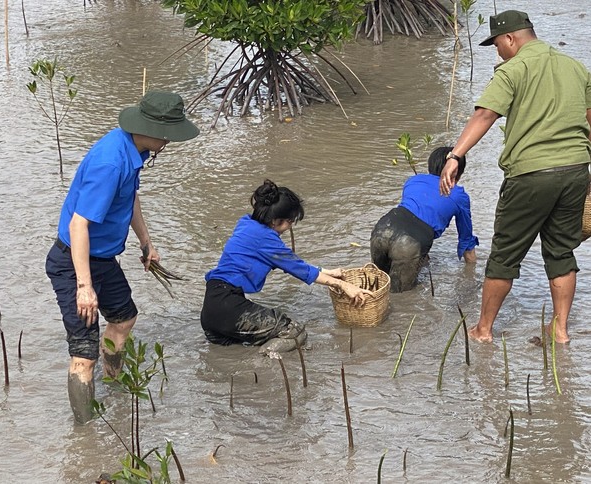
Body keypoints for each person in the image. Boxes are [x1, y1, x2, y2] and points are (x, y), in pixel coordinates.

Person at [46, 91, 199, 424]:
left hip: (102, 259)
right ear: (154, 130)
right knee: (83, 354)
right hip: (75, 261)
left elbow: (130, 200)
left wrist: (147, 244)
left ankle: (114, 387)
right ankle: (84, 431)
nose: (172, 141)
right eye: (170, 134)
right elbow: (78, 224)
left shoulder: (133, 152)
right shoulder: (111, 162)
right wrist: (84, 286)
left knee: (124, 318)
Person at [439, 10, 591, 343]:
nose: (497, 52)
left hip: (532, 174)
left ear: (510, 38)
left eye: (496, 44)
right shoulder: (576, 66)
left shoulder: (513, 69)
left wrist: (455, 155)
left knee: (505, 254)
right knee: (562, 251)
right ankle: (560, 330)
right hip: (576, 170)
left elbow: (485, 114)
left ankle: (483, 330)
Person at [201, 179, 373, 354]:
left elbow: (292, 264)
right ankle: (262, 362)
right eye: (290, 221)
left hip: (211, 309)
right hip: (228, 308)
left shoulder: (246, 224)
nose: (290, 226)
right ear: (276, 221)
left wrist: (328, 272)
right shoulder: (267, 240)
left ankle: (251, 368)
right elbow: (301, 270)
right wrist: (344, 285)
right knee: (294, 333)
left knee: (230, 355)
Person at [370, 146, 478, 292]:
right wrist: (471, 274)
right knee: (399, 296)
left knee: (376, 285)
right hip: (409, 243)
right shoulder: (459, 196)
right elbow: (466, 240)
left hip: (382, 229)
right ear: (457, 171)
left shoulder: (413, 181)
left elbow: (412, 214)